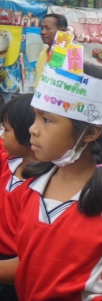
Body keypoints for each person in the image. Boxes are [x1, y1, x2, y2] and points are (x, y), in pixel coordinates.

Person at [0, 63, 102, 300]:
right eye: (35, 117)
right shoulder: (31, 187)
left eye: (47, 120)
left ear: (91, 132)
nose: (33, 129)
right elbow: (29, 265)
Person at [0, 94, 36, 301]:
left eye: (7, 130)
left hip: (18, 265)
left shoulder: (47, 183)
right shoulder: (8, 162)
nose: (2, 135)